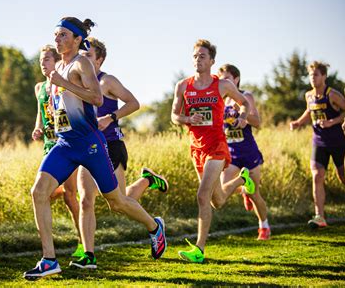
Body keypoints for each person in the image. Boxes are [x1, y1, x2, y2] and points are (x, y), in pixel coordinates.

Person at [23, 17, 166, 280]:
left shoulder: (81, 63)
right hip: (65, 144)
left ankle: (153, 226)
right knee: (38, 191)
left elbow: (96, 98)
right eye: (55, 34)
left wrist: (63, 84)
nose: (57, 39)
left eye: (63, 35)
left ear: (77, 39)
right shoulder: (58, 68)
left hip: (90, 143)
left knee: (116, 201)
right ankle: (48, 259)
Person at [71, 37, 169, 269]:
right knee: (85, 200)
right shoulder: (76, 82)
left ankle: (154, 226)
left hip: (111, 146)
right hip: (87, 146)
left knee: (119, 203)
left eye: (88, 56)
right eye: (81, 56)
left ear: (100, 59)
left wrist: (111, 117)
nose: (83, 60)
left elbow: (134, 103)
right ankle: (89, 256)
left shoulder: (107, 82)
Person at [171, 39, 256, 263]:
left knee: (202, 195)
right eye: (195, 56)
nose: (197, 60)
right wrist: (188, 118)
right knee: (216, 200)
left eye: (202, 56)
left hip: (217, 145)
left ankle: (199, 250)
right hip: (196, 147)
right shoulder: (182, 85)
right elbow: (174, 115)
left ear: (211, 61)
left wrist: (243, 116)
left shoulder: (222, 85)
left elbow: (244, 102)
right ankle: (241, 180)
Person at [32, 44, 83, 258]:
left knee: (70, 196)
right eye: (41, 60)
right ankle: (48, 250)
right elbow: (40, 112)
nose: (43, 64)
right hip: (49, 146)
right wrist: (37, 128)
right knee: (44, 193)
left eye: (47, 60)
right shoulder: (39, 88)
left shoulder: (64, 83)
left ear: (56, 62)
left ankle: (84, 242)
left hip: (66, 144)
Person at [290, 61, 345, 229]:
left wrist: (332, 122)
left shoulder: (333, 95)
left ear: (324, 76)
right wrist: (298, 123)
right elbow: (309, 111)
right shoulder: (309, 95)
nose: (312, 78)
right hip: (319, 142)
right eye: (310, 75)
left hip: (337, 142)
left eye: (316, 75)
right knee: (317, 176)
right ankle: (319, 216)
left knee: (344, 179)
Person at [218, 64, 270, 241]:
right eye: (221, 79)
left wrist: (243, 116)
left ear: (236, 79)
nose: (224, 82)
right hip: (231, 154)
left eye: (227, 78)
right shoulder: (221, 101)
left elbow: (257, 122)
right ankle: (242, 188)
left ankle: (264, 226)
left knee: (255, 194)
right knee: (222, 190)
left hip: (249, 154)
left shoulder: (245, 96)